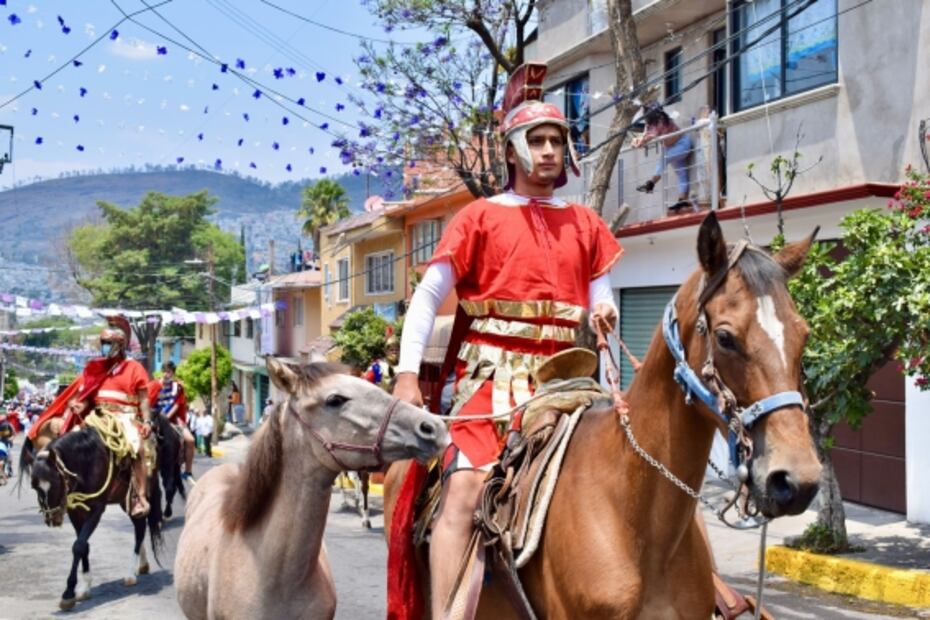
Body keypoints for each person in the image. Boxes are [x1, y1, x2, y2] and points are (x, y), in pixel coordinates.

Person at [389, 62, 622, 618]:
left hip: (571, 382)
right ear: (514, 150)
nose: (547, 150)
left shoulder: (587, 222)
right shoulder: (478, 217)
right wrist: (404, 374)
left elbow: (603, 291)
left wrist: (607, 306)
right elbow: (426, 297)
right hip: (495, 383)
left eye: (556, 141)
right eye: (536, 140)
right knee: (465, 491)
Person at [28, 316, 155, 517]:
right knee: (69, 439)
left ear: (120, 345)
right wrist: (80, 405)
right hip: (97, 416)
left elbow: (144, 400)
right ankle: (68, 488)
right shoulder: (95, 367)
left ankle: (140, 497)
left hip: (125, 417)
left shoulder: (134, 368)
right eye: (103, 343)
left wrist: (147, 420)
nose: (104, 347)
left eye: (108, 343)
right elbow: (88, 397)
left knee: (137, 448)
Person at [632, 103, 694, 213]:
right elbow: (645, 135)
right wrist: (638, 141)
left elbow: (651, 136)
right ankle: (682, 200)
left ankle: (651, 183)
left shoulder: (662, 120)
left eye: (646, 114)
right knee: (681, 173)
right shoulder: (649, 124)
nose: (645, 117)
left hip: (682, 143)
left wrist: (641, 141)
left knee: (664, 159)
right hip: (671, 148)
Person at [149, 361, 195, 482]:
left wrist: (166, 418)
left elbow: (176, 405)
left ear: (173, 374)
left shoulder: (177, 387)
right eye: (164, 371)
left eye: (169, 372)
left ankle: (188, 471)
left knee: (190, 440)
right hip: (154, 418)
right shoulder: (153, 385)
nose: (166, 374)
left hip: (173, 419)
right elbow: (148, 404)